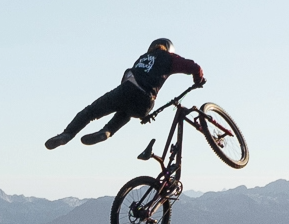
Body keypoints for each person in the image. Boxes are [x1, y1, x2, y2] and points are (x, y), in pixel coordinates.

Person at [45, 38, 205, 149]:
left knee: (91, 112)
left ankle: (67, 134)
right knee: (127, 112)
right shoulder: (170, 58)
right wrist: (198, 80)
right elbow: (195, 67)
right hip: (145, 103)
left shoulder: (141, 58)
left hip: (126, 90)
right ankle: (106, 132)